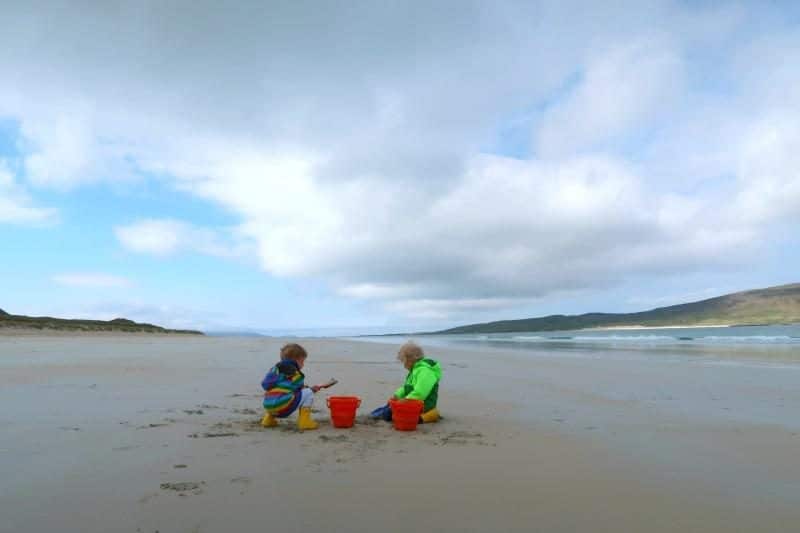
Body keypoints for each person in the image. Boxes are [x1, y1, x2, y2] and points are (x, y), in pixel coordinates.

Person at [261, 343, 322, 430]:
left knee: (276, 393)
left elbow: (265, 384)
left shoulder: (274, 370)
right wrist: (312, 389)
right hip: (283, 408)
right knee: (309, 393)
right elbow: (298, 388)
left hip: (268, 406)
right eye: (302, 361)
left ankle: (268, 420)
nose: (303, 365)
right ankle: (305, 422)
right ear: (296, 360)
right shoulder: (294, 372)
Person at [388, 341, 442, 423]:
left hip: (425, 404)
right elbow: (407, 387)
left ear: (410, 359)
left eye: (404, 361)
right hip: (414, 401)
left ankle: (429, 415)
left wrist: (406, 400)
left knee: (391, 413)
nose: (404, 365)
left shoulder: (425, 371)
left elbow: (420, 392)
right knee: (390, 407)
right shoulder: (414, 370)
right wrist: (397, 395)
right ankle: (375, 415)